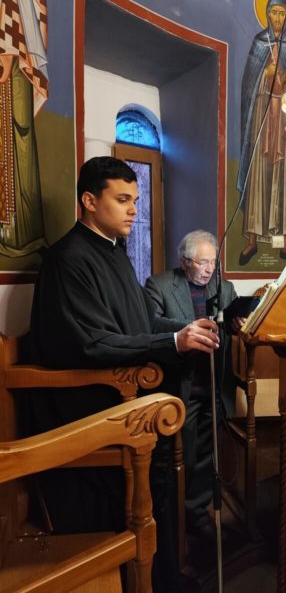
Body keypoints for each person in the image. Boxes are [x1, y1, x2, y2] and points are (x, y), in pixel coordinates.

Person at [30, 156, 219, 591]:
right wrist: (172, 343)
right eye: (122, 200)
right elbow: (90, 343)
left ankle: (163, 575)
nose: (134, 209)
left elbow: (140, 323)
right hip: (89, 404)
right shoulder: (67, 258)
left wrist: (184, 331)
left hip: (124, 391)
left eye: (135, 200)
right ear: (89, 201)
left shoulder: (113, 251)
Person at [145, 230, 242, 538]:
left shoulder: (224, 288)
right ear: (184, 261)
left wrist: (239, 323)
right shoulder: (159, 285)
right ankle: (168, 518)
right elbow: (150, 325)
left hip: (214, 386)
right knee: (178, 457)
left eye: (213, 262)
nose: (209, 269)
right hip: (179, 389)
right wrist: (189, 330)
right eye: (202, 262)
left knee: (206, 458)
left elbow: (233, 326)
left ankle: (197, 515)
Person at [237, 0, 286, 265]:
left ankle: (285, 243)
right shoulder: (260, 43)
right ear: (267, 15)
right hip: (261, 117)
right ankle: (251, 241)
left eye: (282, 13)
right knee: (258, 177)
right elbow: (248, 88)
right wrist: (264, 75)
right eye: (273, 13)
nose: (277, 18)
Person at [0, 0, 48, 257]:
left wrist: (8, 48)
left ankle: (18, 231)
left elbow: (30, 5)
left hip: (14, 47)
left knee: (18, 133)